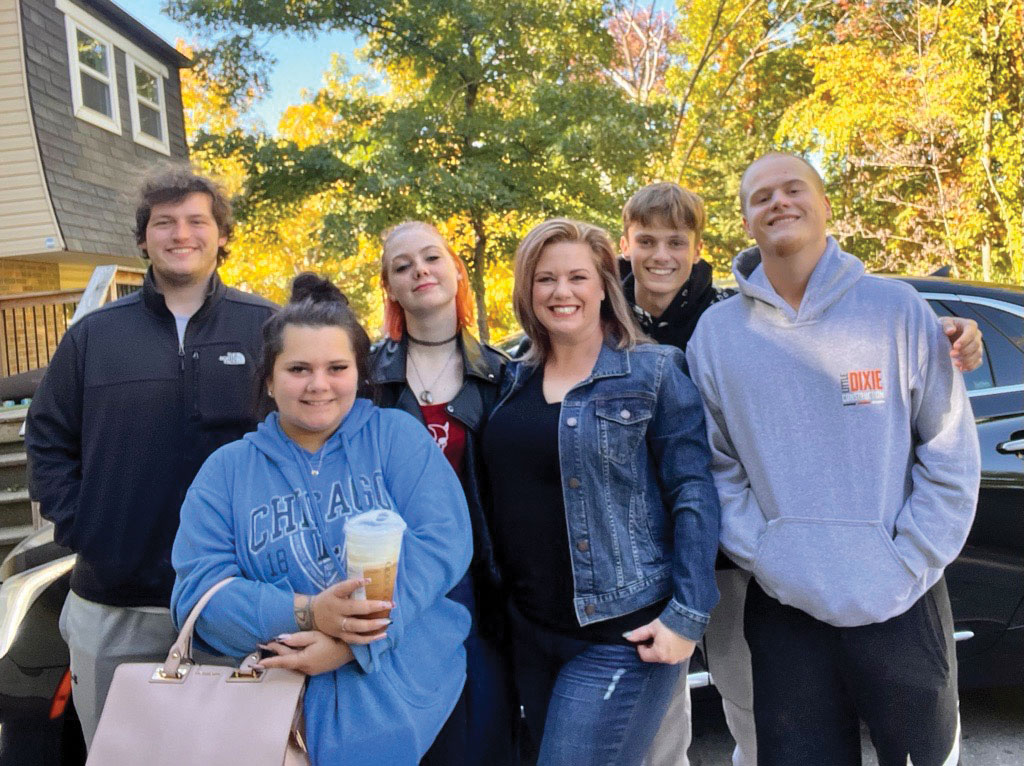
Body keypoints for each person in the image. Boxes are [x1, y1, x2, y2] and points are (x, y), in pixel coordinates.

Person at [621, 182, 985, 766]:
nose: (661, 254)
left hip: (735, 562)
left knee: (752, 715)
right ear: (626, 243)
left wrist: (956, 336)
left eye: (676, 241)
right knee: (655, 728)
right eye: (647, 240)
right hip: (647, 560)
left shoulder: (726, 317)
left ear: (698, 246)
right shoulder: (604, 322)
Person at [171, 274, 473, 764]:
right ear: (268, 379)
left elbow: (443, 544)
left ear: (360, 372)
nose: (319, 385)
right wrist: (307, 612)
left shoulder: (396, 438)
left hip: (416, 705)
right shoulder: (225, 473)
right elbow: (199, 597)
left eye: (337, 367)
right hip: (277, 722)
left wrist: (351, 644)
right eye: (298, 369)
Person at [25, 167, 276, 748]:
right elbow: (46, 435)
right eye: (164, 222)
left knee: (238, 754)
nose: (180, 234)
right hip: (115, 601)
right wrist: (84, 526)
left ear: (220, 235)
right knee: (120, 753)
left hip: (235, 598)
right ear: (143, 239)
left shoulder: (265, 326)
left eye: (196, 221)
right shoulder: (95, 335)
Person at [482, 219, 720, 766]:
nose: (561, 292)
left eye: (577, 277)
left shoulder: (654, 371)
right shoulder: (511, 380)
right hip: (532, 633)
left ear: (603, 285)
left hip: (621, 636)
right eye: (545, 279)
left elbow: (693, 494)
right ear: (527, 290)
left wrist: (688, 614)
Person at [370, 221, 515, 765]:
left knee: (479, 735)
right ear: (390, 287)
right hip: (390, 585)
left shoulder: (503, 376)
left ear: (455, 270)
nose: (419, 271)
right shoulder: (366, 378)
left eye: (431, 258)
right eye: (402, 266)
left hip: (479, 587)